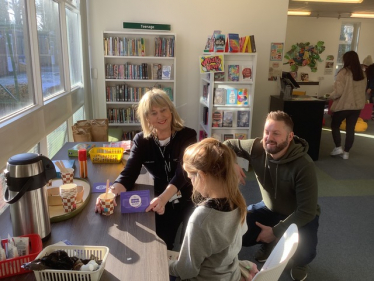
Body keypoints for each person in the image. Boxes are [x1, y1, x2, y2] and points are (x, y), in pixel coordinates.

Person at [95, 88, 197, 250]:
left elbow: (183, 172)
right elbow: (129, 173)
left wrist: (163, 198)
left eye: (163, 110)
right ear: (147, 118)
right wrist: (111, 193)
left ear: (171, 110)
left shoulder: (188, 135)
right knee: (162, 245)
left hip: (189, 196)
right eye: (153, 113)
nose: (160, 116)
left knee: (192, 241)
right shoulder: (141, 140)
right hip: (160, 201)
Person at [223, 111, 320, 281]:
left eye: (276, 133)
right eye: (267, 132)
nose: (269, 137)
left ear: (290, 137)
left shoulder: (304, 165)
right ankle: (268, 243)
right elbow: (226, 144)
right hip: (269, 208)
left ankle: (299, 262)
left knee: (305, 253)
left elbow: (307, 210)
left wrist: (275, 231)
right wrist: (231, 162)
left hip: (300, 214)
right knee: (237, 229)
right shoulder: (256, 147)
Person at [169, 138, 258, 281]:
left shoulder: (201, 219)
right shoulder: (238, 201)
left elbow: (187, 271)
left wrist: (167, 263)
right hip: (230, 274)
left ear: (202, 175)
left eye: (191, 177)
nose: (191, 182)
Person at [329, 51, 367, 160]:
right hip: (357, 106)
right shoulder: (362, 73)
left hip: (343, 105)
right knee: (351, 129)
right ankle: (346, 152)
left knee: (335, 125)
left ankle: (338, 147)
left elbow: (338, 92)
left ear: (346, 60)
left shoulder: (344, 72)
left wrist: (329, 96)